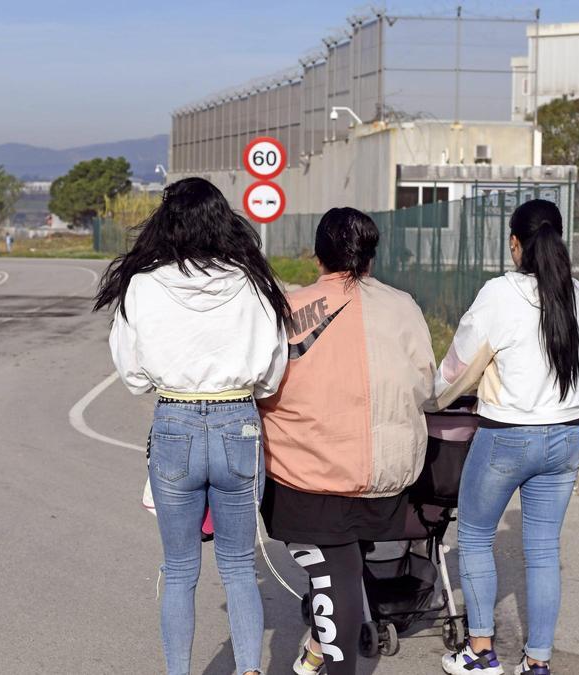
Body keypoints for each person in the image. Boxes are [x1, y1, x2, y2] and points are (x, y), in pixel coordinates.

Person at [95, 176, 290, 675]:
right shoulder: (252, 281)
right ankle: (250, 670)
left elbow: (134, 375)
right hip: (238, 423)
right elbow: (271, 372)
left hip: (176, 421)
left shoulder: (143, 284)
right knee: (239, 568)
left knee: (179, 570)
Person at [258, 207, 434, 675]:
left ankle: (335, 665)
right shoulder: (404, 306)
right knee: (340, 564)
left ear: (318, 257)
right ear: (371, 258)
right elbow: (426, 385)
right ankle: (315, 653)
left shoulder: (290, 309)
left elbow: (263, 385)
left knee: (334, 572)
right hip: (387, 479)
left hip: (310, 478)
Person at [435, 199, 579, 675]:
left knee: (477, 537)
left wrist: (433, 396)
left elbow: (459, 366)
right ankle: (537, 661)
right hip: (567, 435)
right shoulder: (576, 293)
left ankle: (480, 653)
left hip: (508, 435)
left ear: (514, 243)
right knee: (544, 551)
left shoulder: (499, 293)